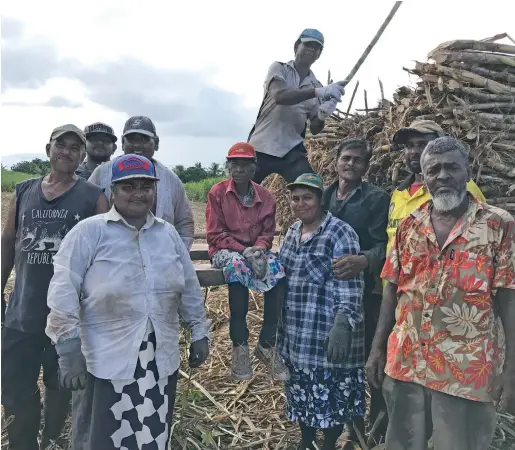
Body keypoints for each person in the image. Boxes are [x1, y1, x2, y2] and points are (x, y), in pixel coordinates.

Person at [45, 154, 211, 450]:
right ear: (113, 191)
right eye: (128, 186)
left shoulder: (167, 234)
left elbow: (188, 286)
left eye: (146, 186)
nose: (138, 193)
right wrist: (68, 347)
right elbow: (63, 289)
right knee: (101, 437)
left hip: (158, 360)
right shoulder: (90, 232)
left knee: (151, 434)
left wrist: (199, 330)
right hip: (106, 359)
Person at [366, 137, 515, 450]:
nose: (443, 176)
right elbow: (392, 288)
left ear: (468, 172)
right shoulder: (409, 224)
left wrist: (511, 370)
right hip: (407, 361)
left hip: (466, 369)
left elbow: (508, 300)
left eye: (452, 167)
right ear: (424, 177)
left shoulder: (498, 225)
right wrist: (378, 349)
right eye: (434, 170)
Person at [1, 124, 109, 450]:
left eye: (75, 147)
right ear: (48, 148)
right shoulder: (24, 191)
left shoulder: (93, 197)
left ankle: (52, 438)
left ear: (82, 155)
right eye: (61, 144)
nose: (67, 151)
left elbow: (104, 255)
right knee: (16, 389)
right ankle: (23, 443)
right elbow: (7, 243)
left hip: (67, 319)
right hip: (22, 313)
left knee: (61, 386)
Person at [278, 173, 365, 450]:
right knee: (300, 393)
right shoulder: (292, 232)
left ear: (320, 200)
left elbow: (350, 283)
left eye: (307, 198)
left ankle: (328, 444)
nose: (300, 203)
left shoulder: (340, 232)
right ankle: (306, 442)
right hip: (296, 333)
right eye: (295, 198)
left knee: (331, 399)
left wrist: (342, 324)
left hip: (324, 334)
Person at [323, 139, 390, 446]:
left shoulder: (377, 198)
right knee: (340, 366)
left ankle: (373, 436)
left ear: (366, 167)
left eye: (357, 161)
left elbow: (387, 245)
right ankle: (348, 429)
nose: (350, 164)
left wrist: (364, 260)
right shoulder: (323, 196)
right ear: (336, 161)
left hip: (366, 293)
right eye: (346, 158)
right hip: (328, 293)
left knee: (370, 364)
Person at [206, 142, 288, 381]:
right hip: (226, 250)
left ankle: (266, 343)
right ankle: (239, 346)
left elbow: (267, 233)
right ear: (228, 167)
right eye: (234, 164)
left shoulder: (266, 197)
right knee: (237, 272)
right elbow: (215, 234)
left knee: (278, 271)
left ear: (253, 168)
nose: (239, 169)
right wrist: (244, 251)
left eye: (244, 164)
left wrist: (259, 250)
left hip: (255, 250)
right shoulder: (217, 193)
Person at [249, 29, 346, 184]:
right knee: (240, 192)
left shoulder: (316, 85)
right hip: (262, 145)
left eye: (316, 48)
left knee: (312, 188)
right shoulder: (279, 69)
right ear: (296, 47)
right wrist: (318, 92)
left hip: (291, 150)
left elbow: (314, 128)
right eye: (307, 45)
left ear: (319, 54)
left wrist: (322, 114)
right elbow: (280, 96)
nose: (311, 50)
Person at [88, 115, 195, 249]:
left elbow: (184, 224)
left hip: (159, 256)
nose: (137, 145)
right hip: (111, 255)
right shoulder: (101, 173)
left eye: (144, 139)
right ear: (122, 143)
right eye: (131, 139)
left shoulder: (171, 180)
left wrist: (176, 255)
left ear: (156, 144)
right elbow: (85, 214)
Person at [387, 119, 485, 255]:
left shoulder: (462, 188)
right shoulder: (398, 193)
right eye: (409, 146)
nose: (414, 151)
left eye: (422, 144)